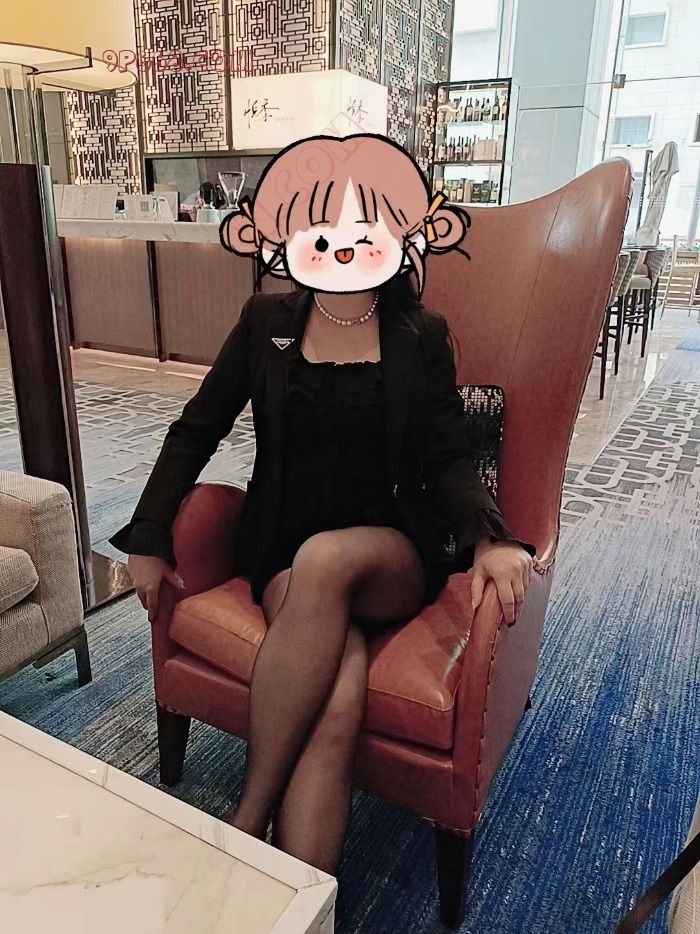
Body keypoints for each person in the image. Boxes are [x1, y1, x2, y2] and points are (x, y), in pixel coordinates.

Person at [109, 133, 536, 877]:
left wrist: (489, 537)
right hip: (283, 551)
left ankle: (244, 824)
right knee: (336, 701)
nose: (341, 245)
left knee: (329, 556)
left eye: (364, 228)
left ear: (400, 235)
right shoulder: (264, 322)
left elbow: (447, 455)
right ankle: (300, 898)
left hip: (390, 551)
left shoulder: (421, 336)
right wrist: (148, 534)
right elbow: (197, 428)